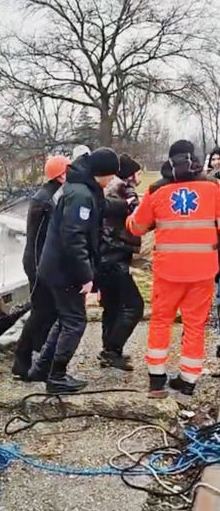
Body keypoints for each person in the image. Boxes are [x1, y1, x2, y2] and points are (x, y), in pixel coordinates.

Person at [127, 140, 220, 398]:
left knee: (160, 321)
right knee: (195, 325)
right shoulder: (214, 189)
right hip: (203, 271)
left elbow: (136, 227)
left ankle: (156, 380)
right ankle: (188, 380)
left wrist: (129, 217)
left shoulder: (157, 191)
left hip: (168, 272)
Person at [30, 148, 120, 393]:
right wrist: (86, 275)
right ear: (101, 173)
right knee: (75, 322)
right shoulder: (80, 194)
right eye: (111, 176)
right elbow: (74, 237)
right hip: (65, 270)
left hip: (56, 266)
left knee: (65, 319)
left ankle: (41, 368)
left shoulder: (79, 186)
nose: (111, 181)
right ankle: (57, 376)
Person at [11, 155, 69, 379]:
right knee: (41, 312)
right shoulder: (48, 199)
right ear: (62, 175)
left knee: (47, 312)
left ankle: (35, 358)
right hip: (38, 263)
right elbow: (42, 239)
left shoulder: (49, 195)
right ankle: (23, 360)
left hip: (40, 261)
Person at [96, 154, 144, 370]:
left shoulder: (106, 193)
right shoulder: (126, 192)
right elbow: (139, 217)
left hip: (103, 258)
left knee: (112, 306)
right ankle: (111, 350)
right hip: (115, 257)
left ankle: (110, 351)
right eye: (138, 171)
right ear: (131, 175)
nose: (141, 175)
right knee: (134, 306)